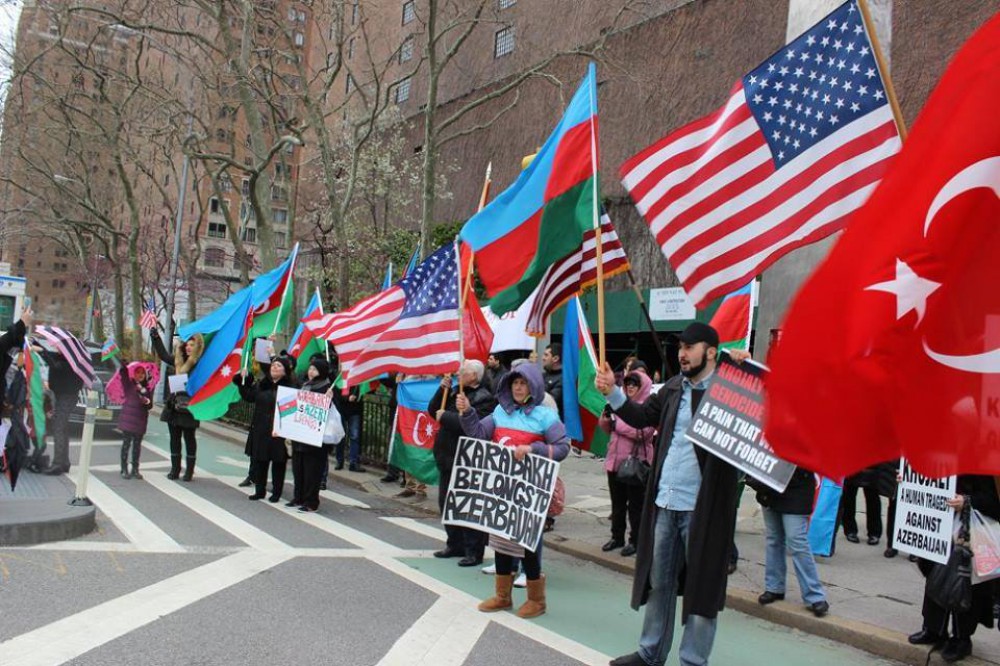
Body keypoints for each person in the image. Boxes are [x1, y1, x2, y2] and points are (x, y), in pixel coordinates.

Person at [596, 322, 745, 666]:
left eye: (690, 347)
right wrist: (613, 392)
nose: (682, 353)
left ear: (710, 351)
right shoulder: (673, 388)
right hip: (665, 502)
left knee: (702, 590)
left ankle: (693, 660)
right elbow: (641, 416)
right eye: (680, 346)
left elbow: (760, 409)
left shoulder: (728, 387)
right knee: (660, 583)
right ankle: (650, 653)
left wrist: (743, 370)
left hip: (703, 510)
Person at [457, 363, 569, 619]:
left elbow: (562, 448)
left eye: (523, 383)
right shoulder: (499, 411)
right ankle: (503, 596)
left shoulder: (545, 416)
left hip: (530, 493)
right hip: (502, 489)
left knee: (528, 544)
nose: (518, 388)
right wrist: (467, 413)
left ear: (533, 386)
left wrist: (534, 450)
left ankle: (536, 600)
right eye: (515, 383)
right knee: (501, 540)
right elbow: (477, 434)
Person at [909, 475, 1000, 662]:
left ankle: (961, 638)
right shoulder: (941, 458)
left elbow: (994, 503)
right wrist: (907, 483)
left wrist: (968, 501)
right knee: (935, 578)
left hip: (970, 535)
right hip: (939, 529)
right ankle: (934, 629)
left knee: (964, 584)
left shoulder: (985, 465)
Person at [429, 360, 497, 566]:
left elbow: (473, 427)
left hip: (467, 459)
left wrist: (446, 417)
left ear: (474, 376)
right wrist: (442, 390)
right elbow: (433, 410)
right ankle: (454, 543)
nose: (459, 372)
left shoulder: (484, 398)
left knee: (468, 505)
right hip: (447, 456)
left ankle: (473, 550)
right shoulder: (455, 391)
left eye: (464, 370)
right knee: (447, 502)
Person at [749, 466, 829, 617]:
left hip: (796, 487)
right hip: (770, 485)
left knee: (797, 541)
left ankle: (814, 595)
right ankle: (774, 587)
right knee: (774, 539)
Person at [599, 370, 655, 557]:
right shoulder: (617, 402)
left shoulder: (648, 406)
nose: (630, 386)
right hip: (615, 462)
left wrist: (617, 424)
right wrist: (606, 419)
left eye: (634, 384)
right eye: (627, 383)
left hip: (635, 466)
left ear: (643, 387)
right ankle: (617, 536)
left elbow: (643, 431)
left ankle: (636, 540)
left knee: (636, 507)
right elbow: (607, 428)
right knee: (617, 504)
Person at [233, 355, 297, 502]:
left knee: (278, 463)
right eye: (273, 365)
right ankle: (259, 490)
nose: (275, 367)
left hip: (279, 431)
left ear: (285, 371)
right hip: (261, 429)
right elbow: (249, 397)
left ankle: (276, 492)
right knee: (260, 461)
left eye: (279, 366)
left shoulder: (291, 388)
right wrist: (242, 382)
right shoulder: (263, 384)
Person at [150, 328, 204, 481]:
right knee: (174, 439)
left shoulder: (200, 364)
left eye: (192, 344)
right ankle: (175, 469)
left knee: (189, 438)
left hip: (189, 407)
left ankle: (189, 471)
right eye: (186, 344)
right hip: (174, 406)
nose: (188, 347)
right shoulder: (177, 360)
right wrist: (155, 337)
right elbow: (163, 355)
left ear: (197, 347)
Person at [36, 336, 85, 476]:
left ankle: (58, 463)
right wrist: (41, 349)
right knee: (63, 428)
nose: (56, 348)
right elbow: (52, 358)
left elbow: (56, 365)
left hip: (67, 397)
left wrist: (43, 352)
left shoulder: (72, 361)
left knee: (58, 427)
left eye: (59, 346)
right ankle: (64, 462)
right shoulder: (63, 357)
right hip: (61, 396)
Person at [288, 358, 332, 512]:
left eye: (315, 369)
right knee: (298, 468)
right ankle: (298, 496)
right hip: (300, 435)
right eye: (310, 368)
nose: (311, 372)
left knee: (312, 470)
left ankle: (311, 501)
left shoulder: (327, 388)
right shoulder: (305, 385)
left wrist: (329, 399)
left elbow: (331, 412)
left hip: (315, 439)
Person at [107, 360, 157, 480]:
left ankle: (135, 468)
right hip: (128, 420)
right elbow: (123, 374)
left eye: (142, 373)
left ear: (145, 375)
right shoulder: (129, 385)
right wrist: (123, 365)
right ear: (133, 374)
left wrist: (146, 401)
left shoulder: (147, 389)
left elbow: (150, 405)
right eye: (137, 372)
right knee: (126, 444)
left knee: (137, 446)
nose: (139, 375)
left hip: (140, 421)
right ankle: (124, 468)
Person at [336, 384, 365, 472]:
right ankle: (339, 461)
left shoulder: (360, 379)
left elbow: (365, 390)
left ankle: (353, 463)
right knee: (341, 436)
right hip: (342, 410)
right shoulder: (341, 379)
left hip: (355, 411)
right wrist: (347, 398)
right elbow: (336, 394)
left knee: (354, 436)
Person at [541, 344, 563, 419]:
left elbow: (550, 402)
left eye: (546, 355)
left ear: (555, 358)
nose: (543, 358)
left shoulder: (563, 379)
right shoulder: (542, 375)